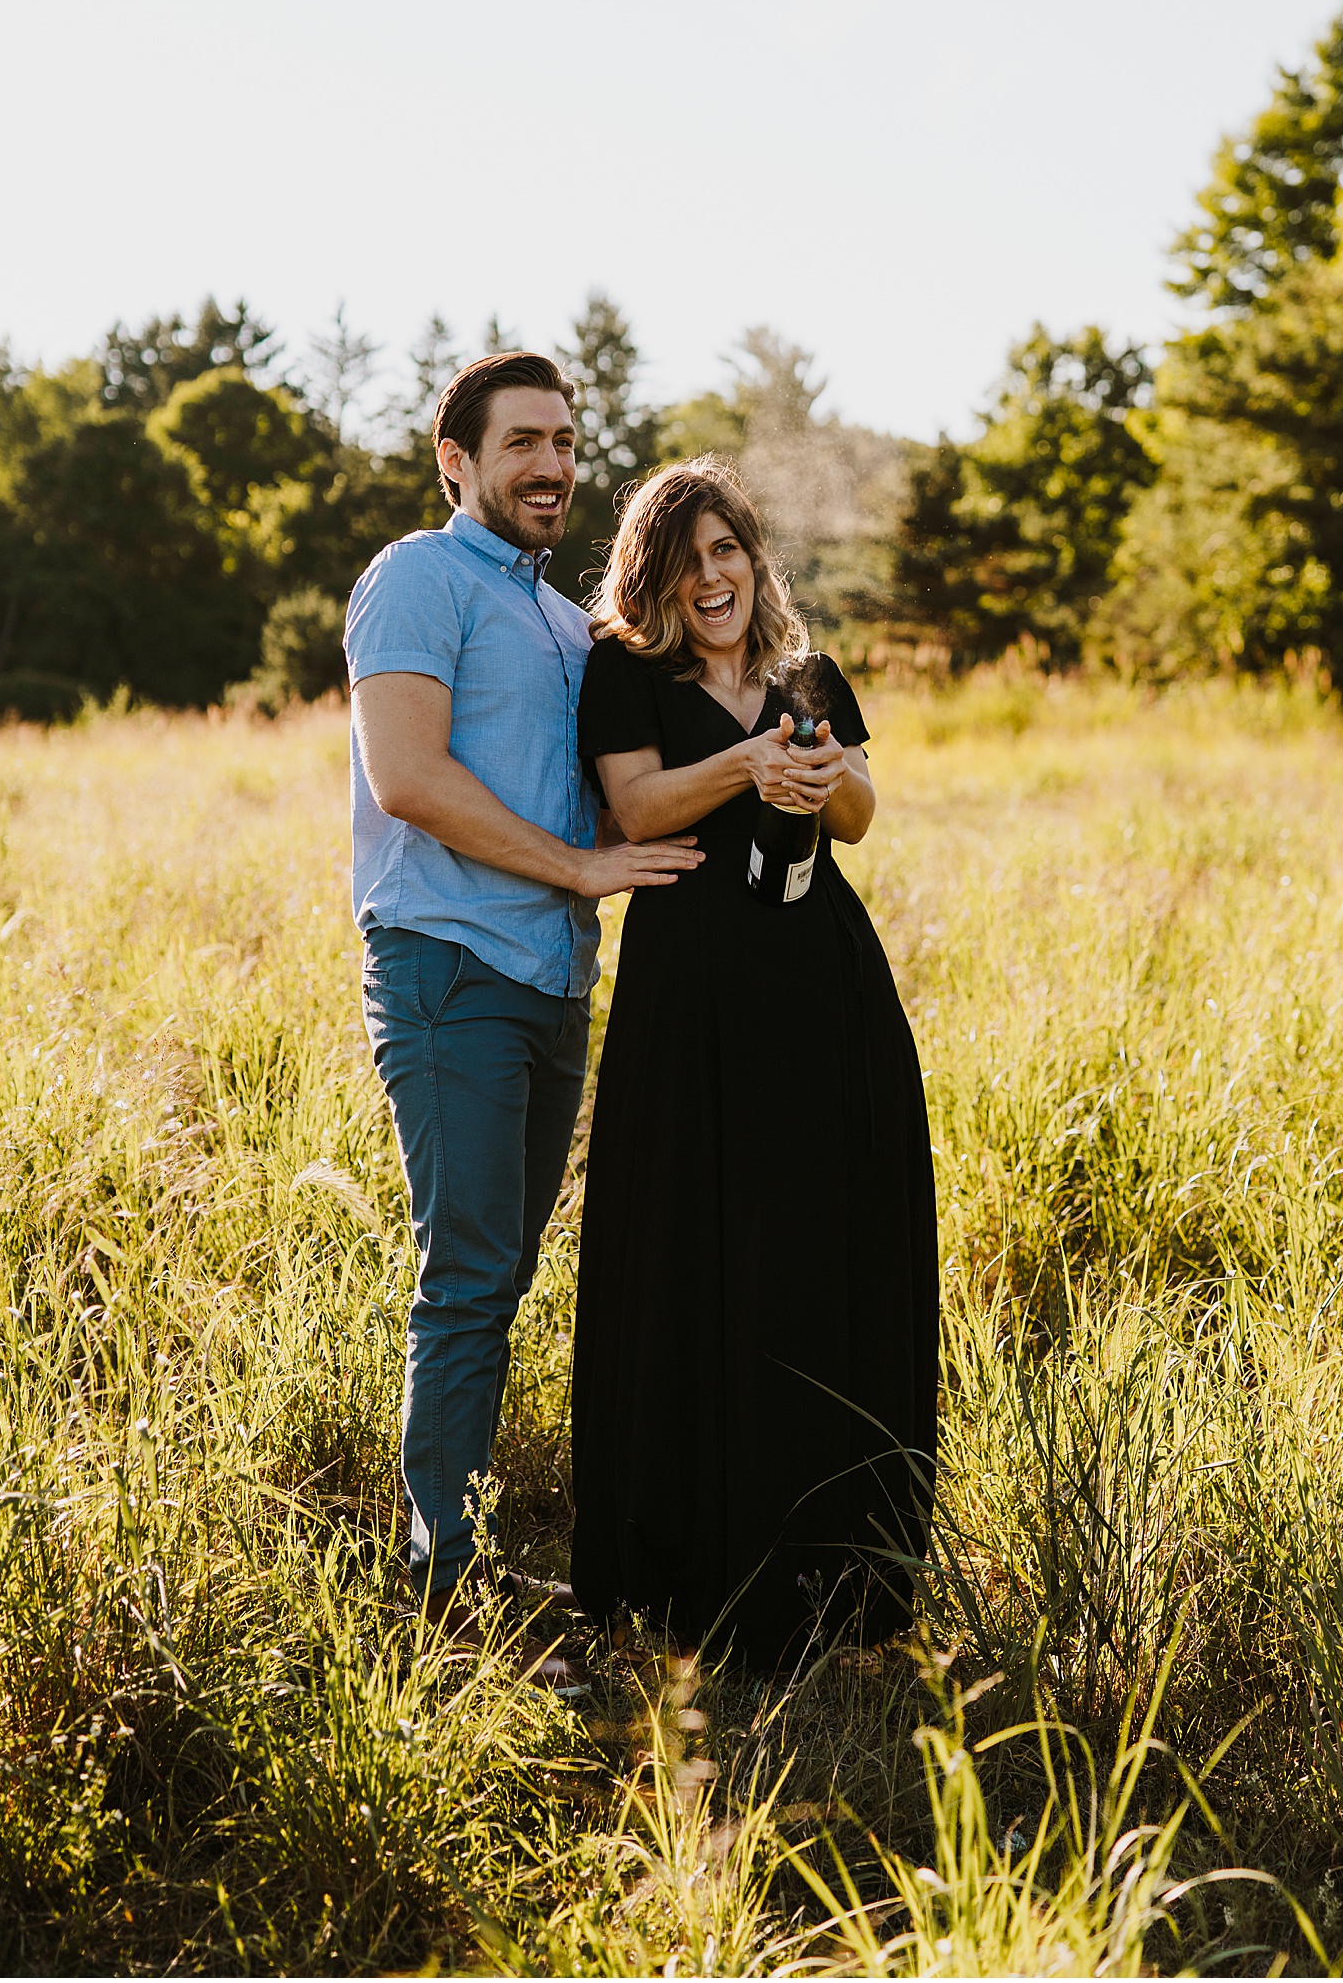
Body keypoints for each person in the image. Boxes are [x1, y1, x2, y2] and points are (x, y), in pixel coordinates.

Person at [343, 350, 702, 1684]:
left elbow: (604, 801)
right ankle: (445, 1611)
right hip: (448, 969)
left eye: (564, 438)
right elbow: (412, 777)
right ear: (457, 461)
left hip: (555, 985)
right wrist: (583, 869)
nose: (551, 462)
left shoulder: (566, 625)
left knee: (499, 1279)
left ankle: (471, 1550)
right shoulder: (416, 579)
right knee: (469, 1278)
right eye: (521, 442)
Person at [569, 457, 939, 1669]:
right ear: (652, 576)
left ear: (750, 560)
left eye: (726, 550)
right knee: (695, 1240)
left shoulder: (805, 674)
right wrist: (746, 767)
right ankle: (690, 1564)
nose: (711, 575)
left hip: (820, 983)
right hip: (691, 996)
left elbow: (863, 812)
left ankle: (835, 1563)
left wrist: (823, 777)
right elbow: (632, 811)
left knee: (817, 1246)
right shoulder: (624, 673)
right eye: (685, 559)